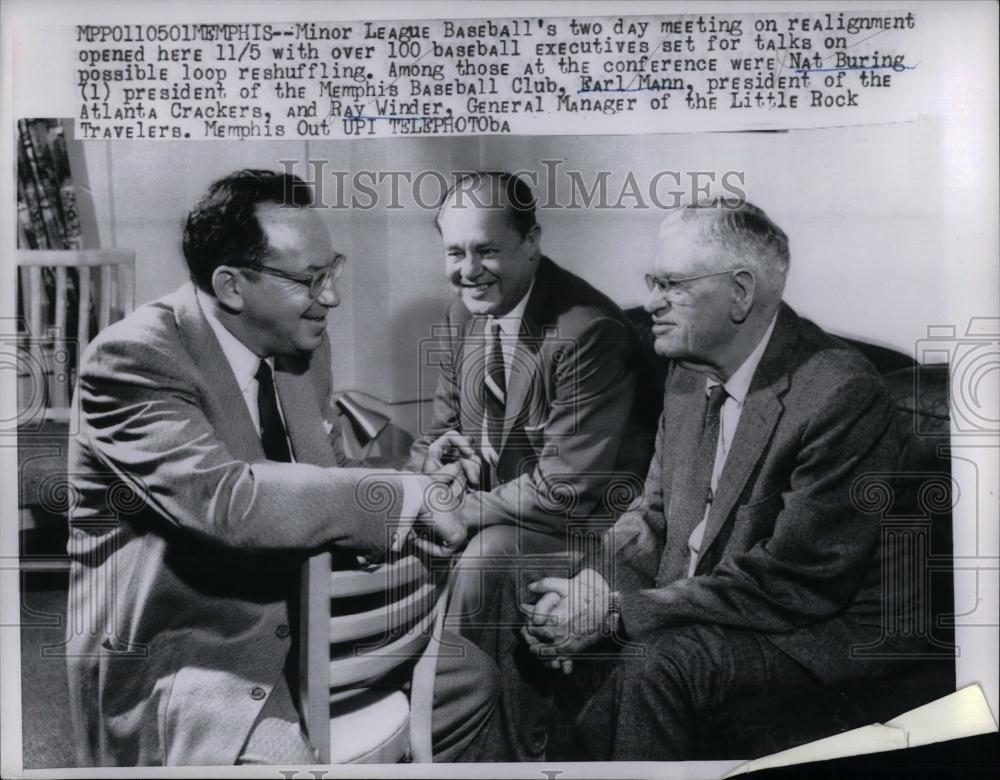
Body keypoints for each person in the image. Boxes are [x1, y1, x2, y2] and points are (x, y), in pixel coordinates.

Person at [65, 169, 498, 766]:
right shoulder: (132, 360)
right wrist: (405, 497)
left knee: (475, 680)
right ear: (233, 286)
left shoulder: (299, 345)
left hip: (309, 625)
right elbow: (229, 501)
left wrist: (412, 471)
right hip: (193, 657)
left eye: (333, 270)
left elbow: (326, 479)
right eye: (310, 279)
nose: (332, 297)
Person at [476, 199, 924, 760]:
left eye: (672, 284)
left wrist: (614, 614)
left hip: (836, 627)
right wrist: (590, 589)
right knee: (521, 594)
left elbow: (798, 581)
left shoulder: (838, 392)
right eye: (652, 281)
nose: (652, 301)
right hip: (720, 591)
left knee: (657, 662)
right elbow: (653, 517)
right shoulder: (687, 374)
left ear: (740, 292)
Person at [407, 172, 658, 641]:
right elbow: (437, 435)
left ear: (531, 242)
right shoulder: (462, 314)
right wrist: (435, 467)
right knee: (407, 539)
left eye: (486, 250)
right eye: (455, 252)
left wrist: (457, 507)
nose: (468, 270)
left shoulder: (588, 332)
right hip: (506, 508)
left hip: (590, 528)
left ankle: (453, 696)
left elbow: (563, 490)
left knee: (485, 555)